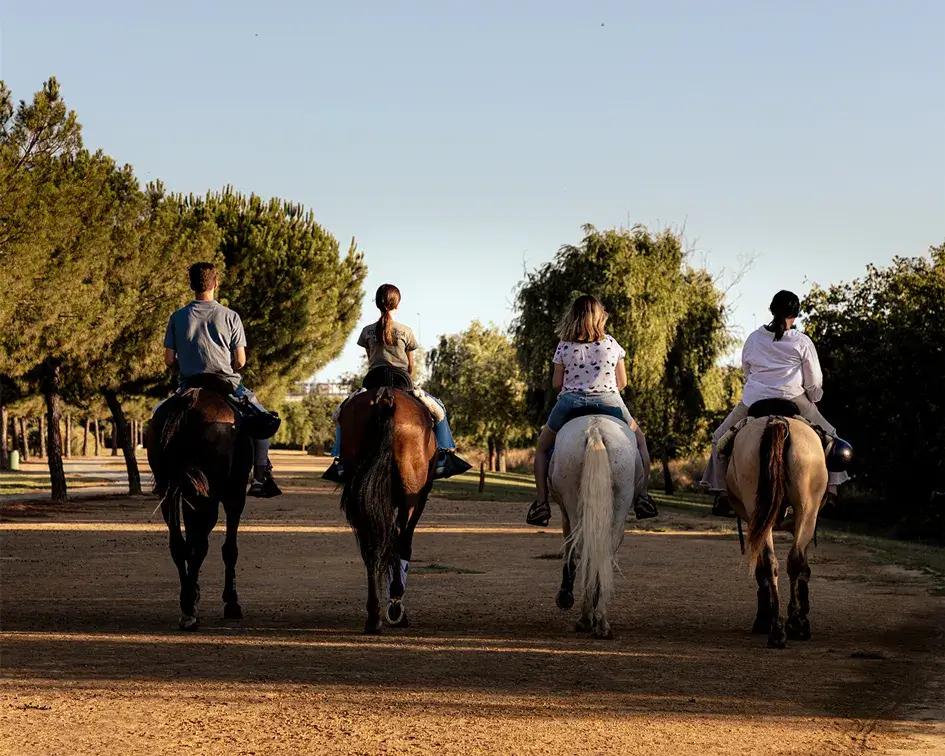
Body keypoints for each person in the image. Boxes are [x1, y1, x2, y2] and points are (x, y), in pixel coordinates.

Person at [702, 289, 850, 514]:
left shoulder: (753, 338)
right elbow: (814, 381)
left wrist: (761, 387)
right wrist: (813, 399)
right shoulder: (802, 341)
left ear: (771, 310)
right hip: (793, 399)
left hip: (754, 401)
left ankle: (722, 494)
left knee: (718, 439)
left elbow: (747, 371)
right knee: (833, 437)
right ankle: (830, 492)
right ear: (796, 315)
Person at [525, 295, 659, 528]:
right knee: (640, 443)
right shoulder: (612, 345)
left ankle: (541, 504)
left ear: (573, 318)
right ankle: (643, 497)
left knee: (543, 449)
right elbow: (623, 382)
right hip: (609, 401)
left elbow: (557, 384)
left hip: (570, 402)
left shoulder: (564, 346)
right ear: (599, 317)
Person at [325, 283, 469, 481]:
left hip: (373, 381)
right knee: (439, 410)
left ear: (377, 304)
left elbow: (370, 360)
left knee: (341, 413)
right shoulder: (406, 331)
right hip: (402, 381)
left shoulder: (367, 332)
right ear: (397, 304)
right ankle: (443, 456)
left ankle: (340, 460)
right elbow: (410, 366)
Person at [163, 262, 281, 498]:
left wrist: (186, 366)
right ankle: (259, 477)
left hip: (189, 384)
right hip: (225, 383)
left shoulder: (177, 317)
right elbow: (240, 360)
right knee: (262, 419)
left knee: (161, 416)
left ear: (191, 285)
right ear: (215, 283)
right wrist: (229, 366)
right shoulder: (231, 316)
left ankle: (164, 475)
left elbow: (168, 360)